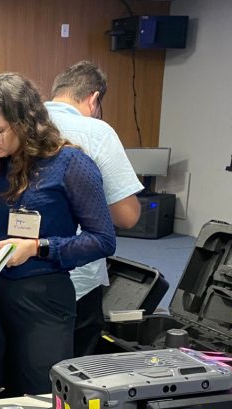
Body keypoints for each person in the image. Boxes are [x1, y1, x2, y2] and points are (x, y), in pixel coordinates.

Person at [0, 72, 116, 398]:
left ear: (25, 123)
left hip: (42, 302)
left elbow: (103, 240)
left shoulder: (70, 163)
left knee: (39, 402)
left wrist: (37, 247)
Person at [46, 60, 144, 357]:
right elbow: (127, 216)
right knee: (74, 367)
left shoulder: (20, 121)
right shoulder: (96, 132)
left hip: (13, 272)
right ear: (94, 99)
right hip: (75, 276)